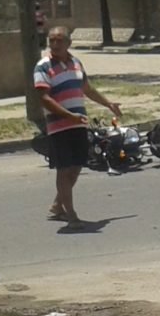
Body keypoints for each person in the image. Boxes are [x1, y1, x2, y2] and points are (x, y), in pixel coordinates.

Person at [34, 26, 122, 229]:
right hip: (59, 126)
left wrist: (108, 104)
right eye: (52, 40)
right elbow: (44, 98)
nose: (55, 44)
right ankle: (70, 215)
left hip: (78, 124)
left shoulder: (75, 63)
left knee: (76, 166)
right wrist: (68, 116)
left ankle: (57, 205)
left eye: (59, 40)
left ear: (68, 43)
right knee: (64, 170)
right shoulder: (43, 66)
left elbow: (87, 89)